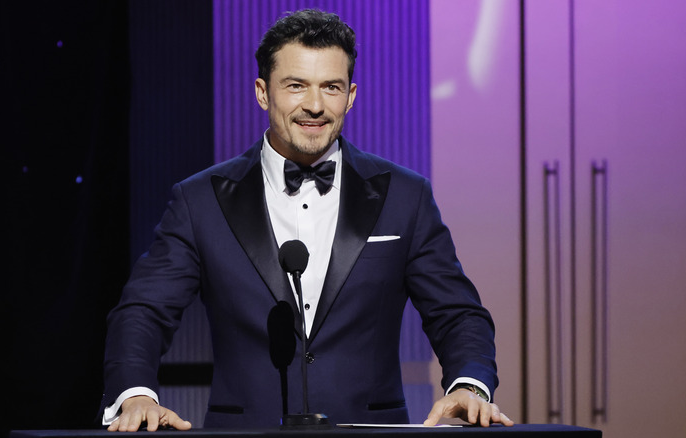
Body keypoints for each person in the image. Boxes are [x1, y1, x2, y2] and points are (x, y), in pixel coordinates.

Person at [101, 8, 514, 432]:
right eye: (296, 86)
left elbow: (457, 314)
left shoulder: (405, 197)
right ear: (263, 92)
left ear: (351, 95)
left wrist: (469, 385)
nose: (314, 105)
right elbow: (144, 311)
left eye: (330, 87)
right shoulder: (199, 200)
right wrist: (134, 393)